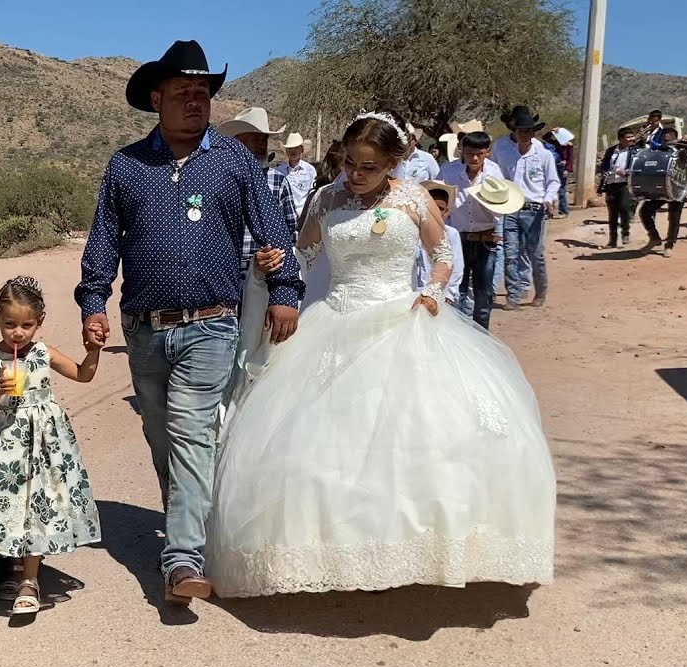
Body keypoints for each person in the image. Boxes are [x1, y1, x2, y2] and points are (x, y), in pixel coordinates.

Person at [205, 111, 557, 597]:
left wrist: (433, 292)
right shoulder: (326, 199)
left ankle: (425, 548)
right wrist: (278, 259)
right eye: (349, 162)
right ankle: (332, 552)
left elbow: (443, 256)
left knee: (419, 437)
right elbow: (304, 255)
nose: (356, 174)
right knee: (323, 443)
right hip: (336, 322)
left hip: (401, 319)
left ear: (394, 162)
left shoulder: (413, 199)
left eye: (368, 166)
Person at [76, 40, 304, 607]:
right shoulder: (126, 166)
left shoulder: (234, 162)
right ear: (157, 99)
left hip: (211, 323)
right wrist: (93, 303)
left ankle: (182, 558)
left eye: (202, 93)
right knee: (161, 434)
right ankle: (185, 521)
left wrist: (285, 289)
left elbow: (273, 229)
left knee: (191, 432)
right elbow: (104, 239)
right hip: (143, 327)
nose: (195, 102)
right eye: (183, 93)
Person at [0, 277, 102, 616]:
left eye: (27, 325)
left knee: (38, 504)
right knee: (11, 505)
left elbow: (82, 375)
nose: (18, 333)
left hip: (44, 445)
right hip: (6, 446)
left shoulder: (44, 353)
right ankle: (14, 568)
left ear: (39, 323)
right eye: (10, 324)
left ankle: (31, 579)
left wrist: (94, 351)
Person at [217, 107, 298, 409]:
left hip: (263, 278)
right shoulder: (220, 180)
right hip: (224, 276)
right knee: (224, 342)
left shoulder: (277, 182)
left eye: (263, 141)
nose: (259, 147)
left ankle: (248, 406)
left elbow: (290, 233)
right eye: (252, 140)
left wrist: (277, 270)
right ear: (237, 143)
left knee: (255, 345)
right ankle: (222, 405)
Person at [437, 131, 513, 328]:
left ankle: (481, 334)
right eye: (470, 153)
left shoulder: (494, 173)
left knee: (483, 291)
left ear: (487, 152)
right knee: (455, 288)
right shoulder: (448, 171)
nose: (475, 158)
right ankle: (454, 331)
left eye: (479, 153)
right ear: (462, 151)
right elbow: (436, 197)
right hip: (457, 237)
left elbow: (500, 206)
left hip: (485, 238)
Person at [492, 105, 560, 310]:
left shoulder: (543, 153)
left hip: (534, 208)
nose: (525, 134)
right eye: (521, 130)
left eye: (529, 131)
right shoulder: (500, 148)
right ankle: (513, 296)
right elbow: (494, 173)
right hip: (509, 207)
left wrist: (548, 199)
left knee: (535, 253)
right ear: (513, 129)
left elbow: (553, 181)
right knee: (510, 252)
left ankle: (541, 291)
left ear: (534, 132)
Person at [639, 127, 687, 257]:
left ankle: (670, 244)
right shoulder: (659, 151)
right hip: (660, 188)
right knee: (644, 212)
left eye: (669, 140)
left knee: (674, 217)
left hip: (678, 188)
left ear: (675, 139)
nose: (666, 142)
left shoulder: (685, 151)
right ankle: (654, 238)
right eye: (664, 140)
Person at [416, 180, 465, 307]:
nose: (436, 211)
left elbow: (457, 267)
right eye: (432, 207)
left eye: (441, 208)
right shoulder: (413, 232)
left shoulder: (451, 234)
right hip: (414, 295)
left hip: (440, 296)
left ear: (446, 212)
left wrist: (449, 294)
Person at [598, 127, 639, 249]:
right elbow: (605, 164)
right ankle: (612, 240)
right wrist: (604, 172)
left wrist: (626, 172)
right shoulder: (611, 150)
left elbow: (638, 168)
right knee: (612, 213)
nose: (631, 139)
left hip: (625, 183)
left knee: (624, 208)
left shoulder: (635, 151)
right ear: (620, 139)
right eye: (628, 137)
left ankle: (625, 233)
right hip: (611, 183)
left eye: (632, 136)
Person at [276, 132, 317, 219]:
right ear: (286, 151)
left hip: (305, 216)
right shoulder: (279, 172)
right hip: (285, 216)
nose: (293, 151)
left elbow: (312, 194)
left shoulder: (310, 170)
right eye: (290, 148)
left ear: (301, 150)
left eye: (296, 148)